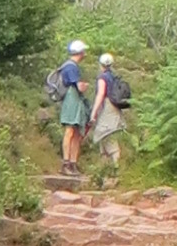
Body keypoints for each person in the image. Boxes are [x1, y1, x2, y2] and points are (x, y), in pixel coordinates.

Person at [88, 51, 132, 179]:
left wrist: (93, 112)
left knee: (106, 134)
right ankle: (105, 171)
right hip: (115, 108)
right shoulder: (113, 76)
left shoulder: (102, 78)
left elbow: (101, 94)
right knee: (105, 136)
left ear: (100, 64)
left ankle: (115, 169)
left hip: (107, 108)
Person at [49, 40, 90, 177]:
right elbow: (78, 87)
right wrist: (84, 86)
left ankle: (72, 163)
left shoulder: (68, 65)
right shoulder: (71, 67)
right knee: (71, 130)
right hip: (72, 100)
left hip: (72, 100)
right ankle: (67, 163)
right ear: (80, 52)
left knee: (75, 131)